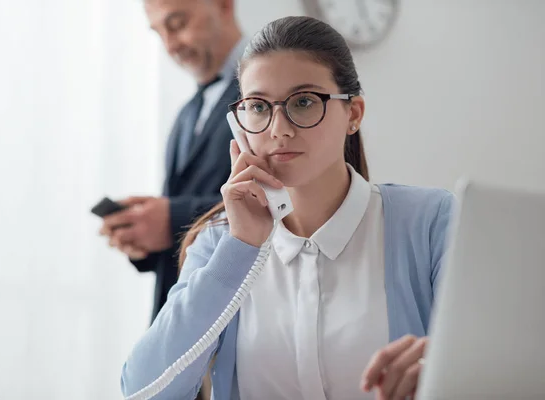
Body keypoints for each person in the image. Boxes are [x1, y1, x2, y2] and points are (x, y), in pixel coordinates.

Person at [120, 15, 455, 400]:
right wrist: (239, 249)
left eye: (304, 102)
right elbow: (144, 390)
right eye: (259, 107)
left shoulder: (431, 222)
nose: (279, 128)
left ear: (354, 113)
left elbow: (493, 366)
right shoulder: (218, 244)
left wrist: (437, 373)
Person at [99, 0, 247, 323]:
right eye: (159, 32)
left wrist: (171, 220)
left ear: (223, 5)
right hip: (182, 325)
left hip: (240, 322)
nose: (169, 45)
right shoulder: (186, 115)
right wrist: (145, 237)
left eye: (177, 24)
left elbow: (285, 203)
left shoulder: (270, 95)